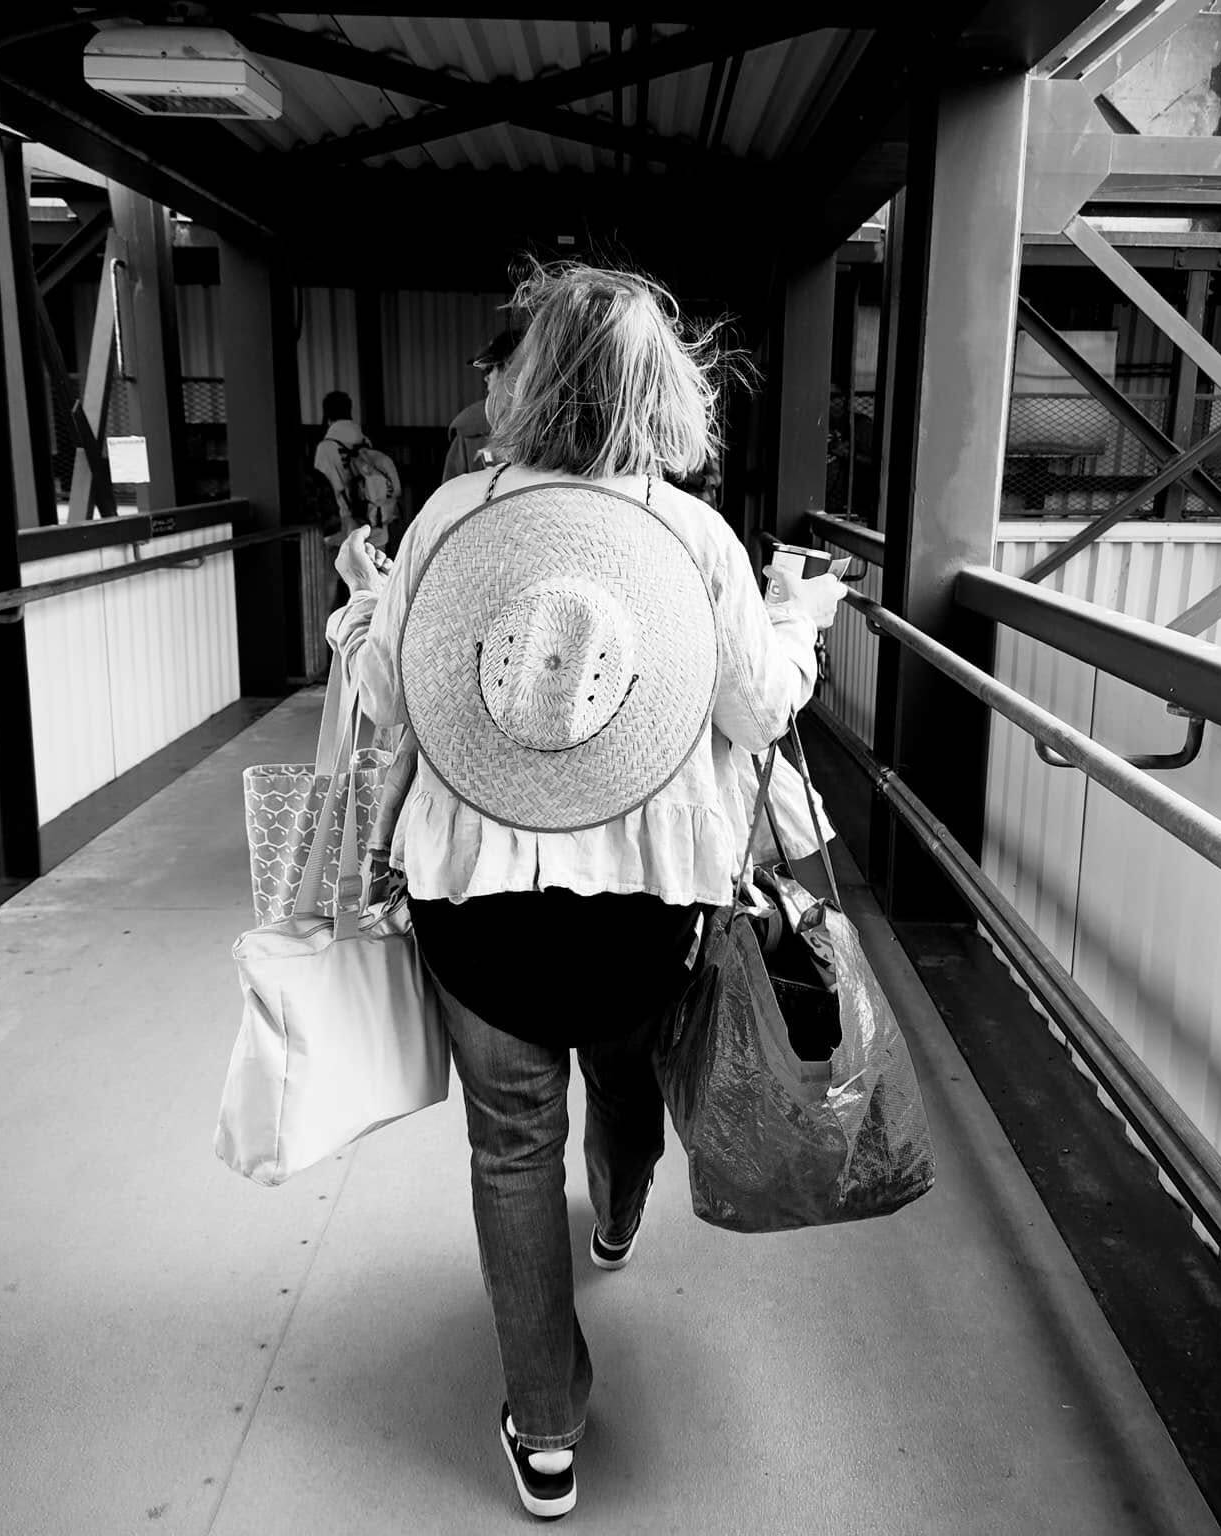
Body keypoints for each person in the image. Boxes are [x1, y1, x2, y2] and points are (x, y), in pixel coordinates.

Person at [326, 262, 846, 1522]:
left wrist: (357, 609)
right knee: (621, 1072)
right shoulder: (694, 538)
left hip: (475, 901)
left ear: (525, 382)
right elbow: (757, 705)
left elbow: (393, 693)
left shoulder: (450, 517)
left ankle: (546, 1431)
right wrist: (802, 615)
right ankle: (615, 1214)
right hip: (645, 907)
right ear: (662, 393)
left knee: (509, 1146)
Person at [311, 389, 402, 546]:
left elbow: (324, 492)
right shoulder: (365, 442)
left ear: (327, 416)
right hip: (376, 525)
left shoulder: (325, 449)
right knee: (379, 569)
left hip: (346, 531)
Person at [442, 328, 519, 484]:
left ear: (511, 368)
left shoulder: (553, 425)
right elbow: (450, 496)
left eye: (490, 369)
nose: (486, 378)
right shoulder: (470, 429)